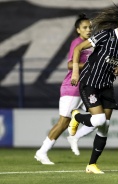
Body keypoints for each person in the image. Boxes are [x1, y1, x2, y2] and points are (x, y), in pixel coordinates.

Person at [68, 7, 118, 174]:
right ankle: (76, 115)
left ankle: (91, 165)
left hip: (107, 86)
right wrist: (76, 71)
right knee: (98, 120)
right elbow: (78, 49)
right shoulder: (105, 35)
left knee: (104, 126)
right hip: (90, 82)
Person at [34, 14, 95, 165]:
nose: (89, 30)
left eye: (90, 27)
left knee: (98, 117)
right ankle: (42, 152)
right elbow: (70, 65)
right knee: (63, 122)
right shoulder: (77, 42)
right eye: (85, 27)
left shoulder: (90, 44)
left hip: (84, 88)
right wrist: (92, 66)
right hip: (72, 87)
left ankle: (75, 135)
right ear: (78, 30)